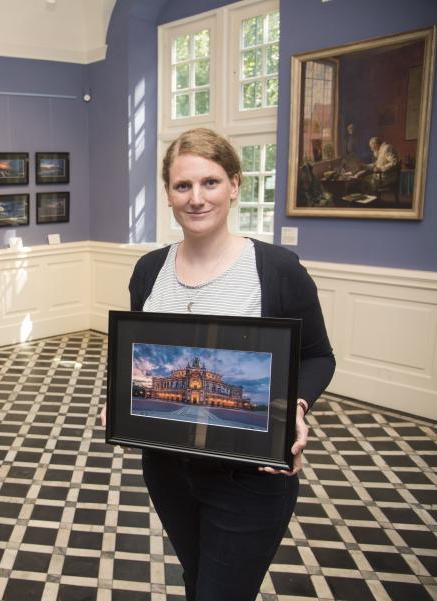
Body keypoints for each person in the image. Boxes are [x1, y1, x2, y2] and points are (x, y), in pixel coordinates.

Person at [103, 128, 335, 601]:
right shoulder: (148, 270)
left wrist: (296, 406)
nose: (196, 198)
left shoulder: (277, 270)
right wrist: (122, 400)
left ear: (234, 185)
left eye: (210, 182)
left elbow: (318, 355)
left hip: (251, 476)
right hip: (168, 469)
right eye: (183, 186)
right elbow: (136, 357)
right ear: (167, 193)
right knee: (197, 580)